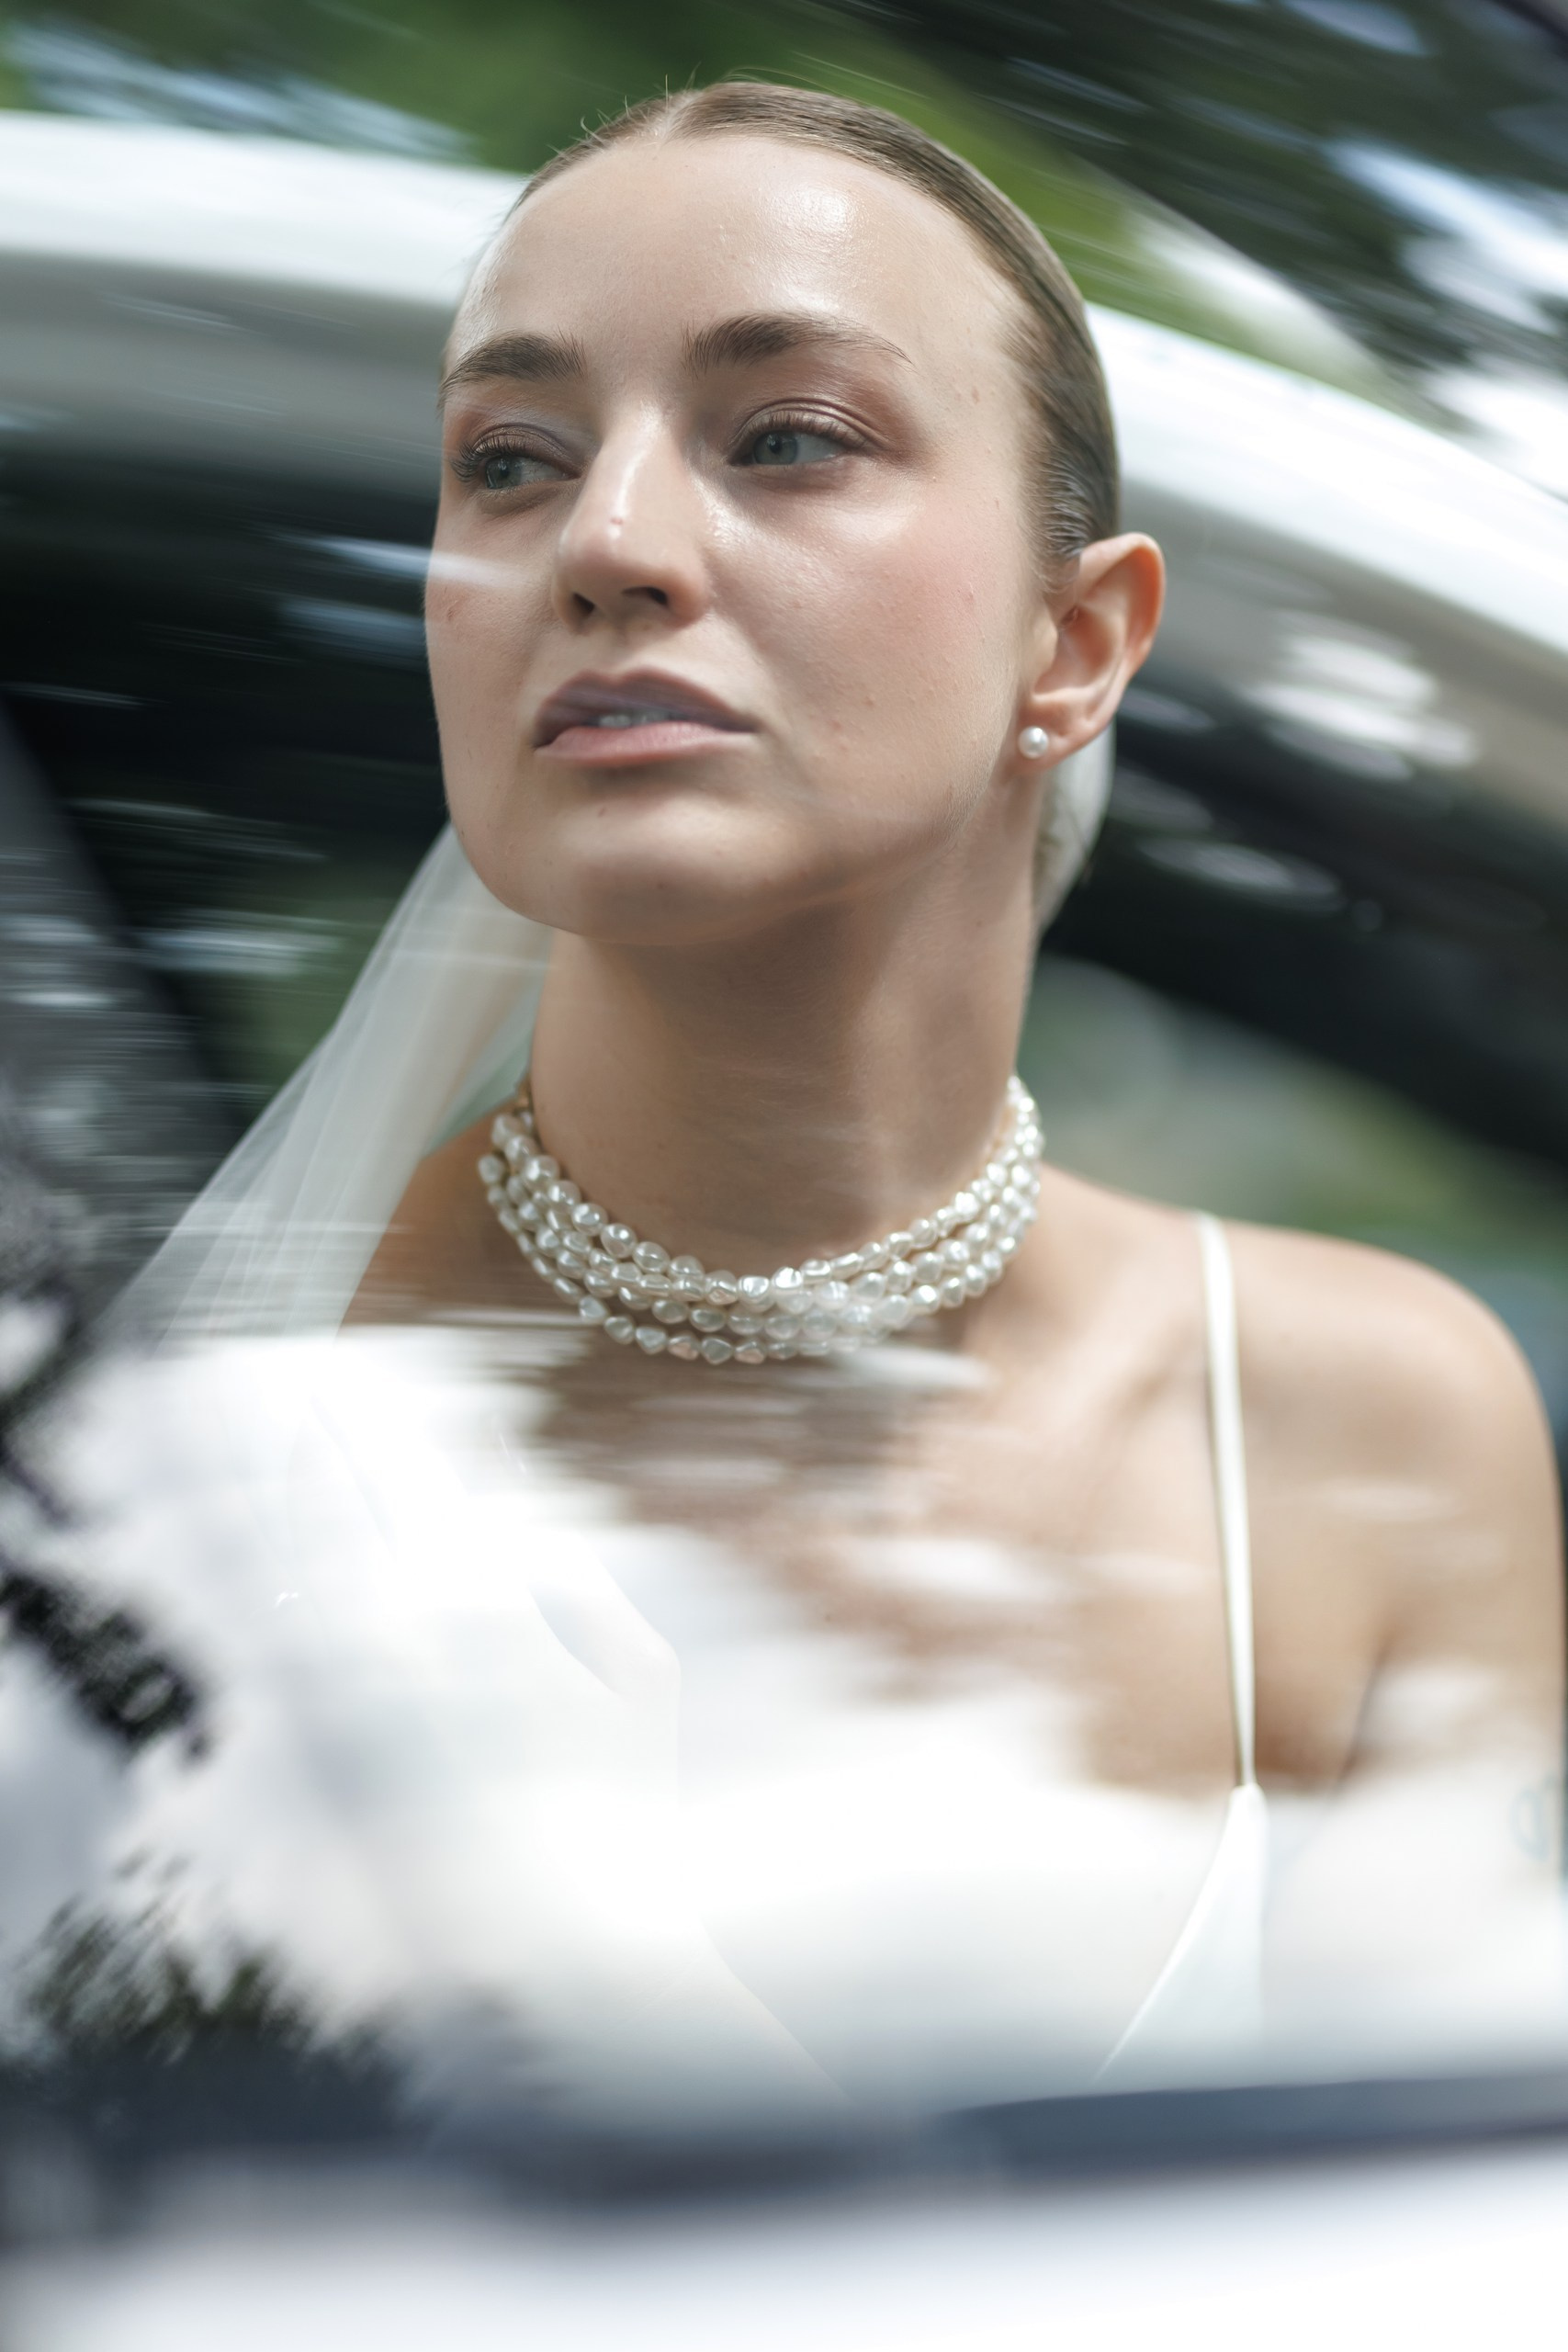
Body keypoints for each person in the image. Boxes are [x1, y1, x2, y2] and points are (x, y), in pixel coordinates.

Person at [14, 85, 1565, 2120]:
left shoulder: (1364, 1424)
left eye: (786, 439)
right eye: (509, 460)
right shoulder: (195, 1463)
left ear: (1075, 640)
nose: (607, 542)